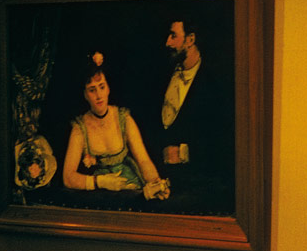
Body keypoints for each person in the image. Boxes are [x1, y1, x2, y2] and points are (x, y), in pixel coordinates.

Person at [146, 18, 234, 212]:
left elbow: (224, 143)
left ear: (190, 39)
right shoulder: (163, 74)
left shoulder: (214, 83)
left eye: (173, 36)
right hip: (161, 180)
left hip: (199, 186)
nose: (167, 43)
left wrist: (184, 153)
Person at [61, 52, 170, 200]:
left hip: (131, 188)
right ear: (85, 95)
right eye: (92, 90)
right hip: (99, 194)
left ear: (108, 88)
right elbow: (68, 178)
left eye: (102, 87)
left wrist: (156, 183)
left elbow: (143, 160)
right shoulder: (80, 128)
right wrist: (100, 181)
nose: (99, 95)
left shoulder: (123, 118)